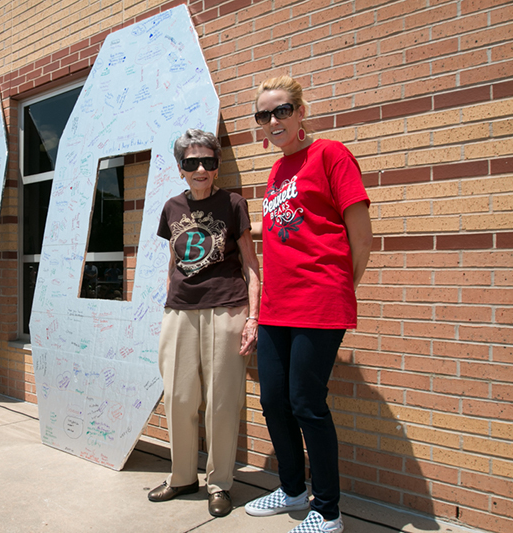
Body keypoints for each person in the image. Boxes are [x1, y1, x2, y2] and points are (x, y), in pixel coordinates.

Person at [243, 76, 373, 533]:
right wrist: (237, 230)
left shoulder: (331, 155)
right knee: (273, 400)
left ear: (300, 112)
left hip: (319, 302)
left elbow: (361, 237)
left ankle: (328, 511)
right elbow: (285, 225)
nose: (273, 120)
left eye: (281, 110)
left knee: (306, 403)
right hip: (277, 305)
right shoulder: (278, 171)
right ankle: (293, 489)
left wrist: (339, 288)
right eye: (264, 115)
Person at [148, 129, 261, 518]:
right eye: (192, 162)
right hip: (180, 312)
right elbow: (173, 261)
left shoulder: (233, 204)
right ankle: (182, 477)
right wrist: (170, 301)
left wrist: (253, 317)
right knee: (178, 398)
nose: (201, 169)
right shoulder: (171, 207)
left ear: (217, 165)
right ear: (180, 167)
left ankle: (219, 484)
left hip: (226, 309)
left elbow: (251, 264)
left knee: (222, 402)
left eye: (208, 162)